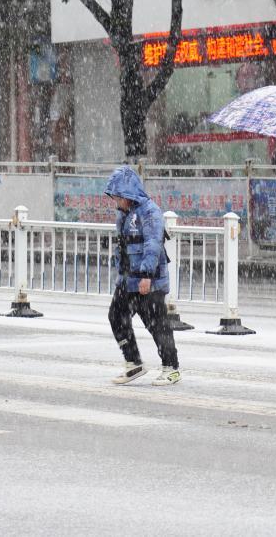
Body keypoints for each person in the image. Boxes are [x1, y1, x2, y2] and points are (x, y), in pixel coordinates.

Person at [104, 165, 181, 386]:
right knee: (116, 315)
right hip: (128, 279)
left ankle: (171, 367)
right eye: (114, 197)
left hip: (149, 280)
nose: (116, 201)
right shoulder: (123, 215)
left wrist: (146, 275)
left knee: (157, 324)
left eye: (119, 196)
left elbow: (153, 245)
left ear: (129, 194)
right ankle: (133, 362)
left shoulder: (150, 212)